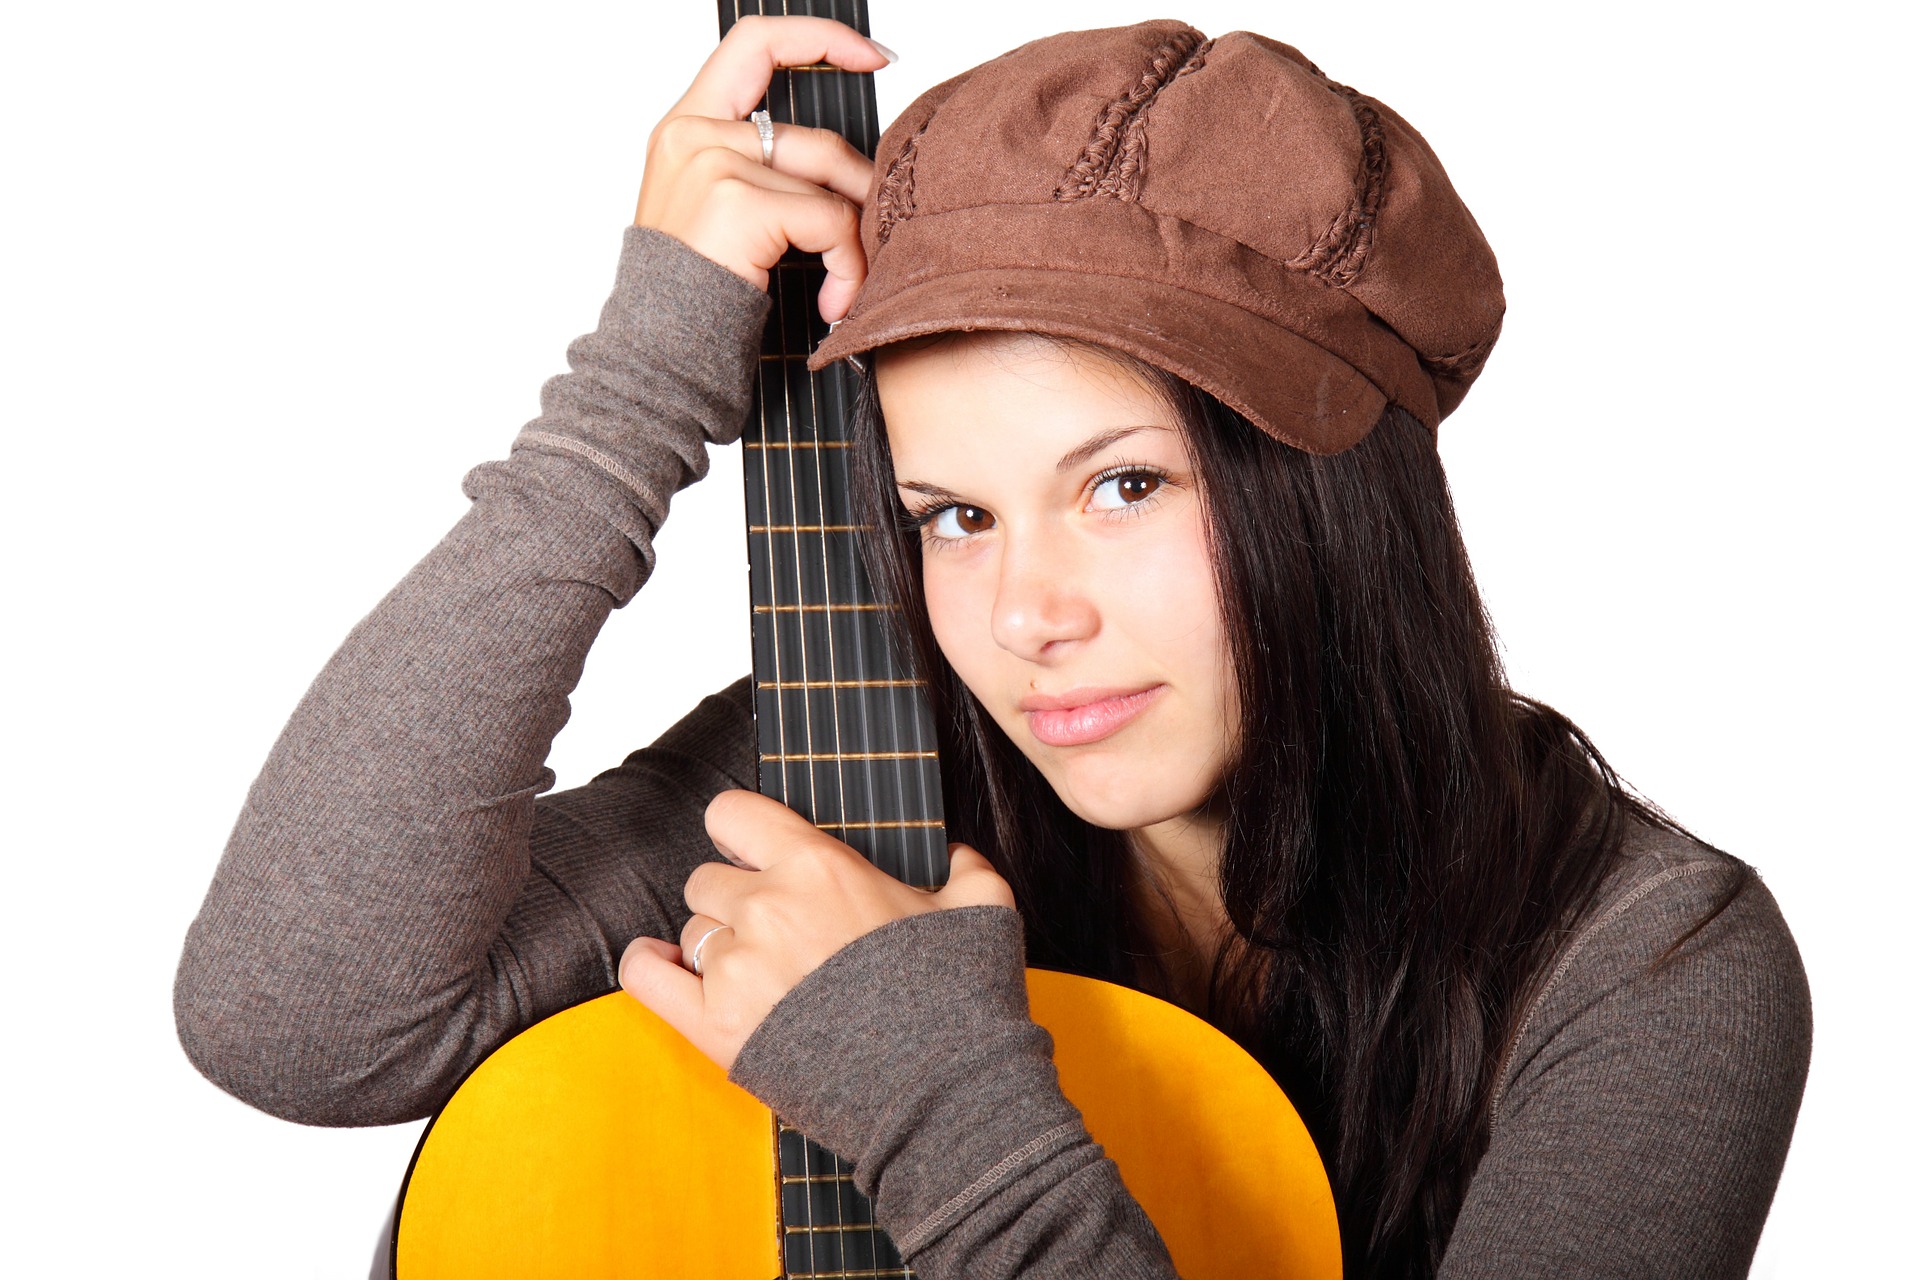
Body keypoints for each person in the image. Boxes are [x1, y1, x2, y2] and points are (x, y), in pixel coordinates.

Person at [173, 14, 1811, 1279]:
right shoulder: (851, 765)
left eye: (1121, 484)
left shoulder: (1652, 968)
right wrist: (636, 389)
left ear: (1337, 494)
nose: (1030, 617)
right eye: (953, 514)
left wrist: (927, 1089)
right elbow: (301, 1024)